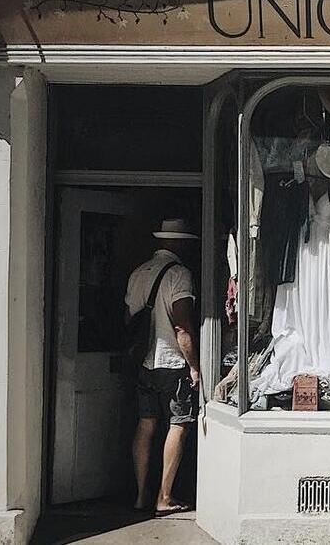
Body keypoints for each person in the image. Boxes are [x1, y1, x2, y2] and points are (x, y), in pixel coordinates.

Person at [125, 218, 200, 515]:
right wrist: (194, 366)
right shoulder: (179, 274)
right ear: (179, 243)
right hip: (172, 362)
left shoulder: (138, 273)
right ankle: (164, 497)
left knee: (145, 425)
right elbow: (182, 327)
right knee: (178, 424)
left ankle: (141, 495)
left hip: (146, 363)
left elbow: (129, 320)